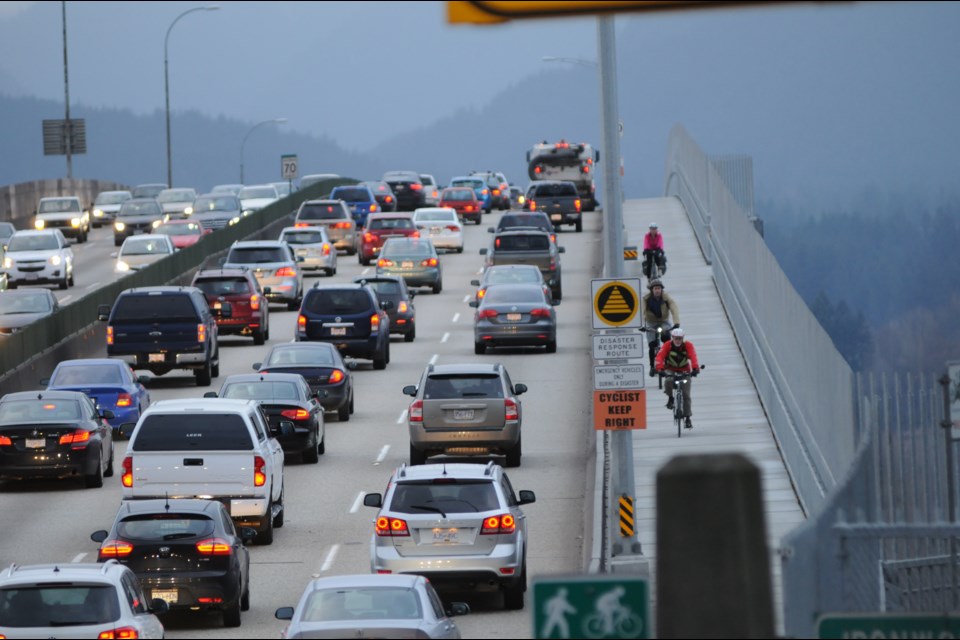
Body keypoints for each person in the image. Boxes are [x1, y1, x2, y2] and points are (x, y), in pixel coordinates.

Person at [656, 327, 700, 429]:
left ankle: (688, 418)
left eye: (680, 338)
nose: (678, 340)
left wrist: (695, 369)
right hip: (670, 369)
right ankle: (670, 398)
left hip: (685, 371)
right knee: (668, 380)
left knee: (686, 395)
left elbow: (693, 357)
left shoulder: (688, 345)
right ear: (672, 338)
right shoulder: (667, 345)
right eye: (676, 338)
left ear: (683, 338)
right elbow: (660, 356)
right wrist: (660, 369)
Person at [642, 279, 680, 376]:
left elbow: (674, 307)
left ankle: (668, 362)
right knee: (652, 345)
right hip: (651, 322)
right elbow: (641, 311)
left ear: (662, 290)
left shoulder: (666, 298)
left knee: (667, 340)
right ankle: (652, 367)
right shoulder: (646, 299)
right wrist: (642, 324)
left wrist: (676, 323)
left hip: (664, 321)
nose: (657, 290)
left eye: (659, 288)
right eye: (655, 289)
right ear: (652, 290)